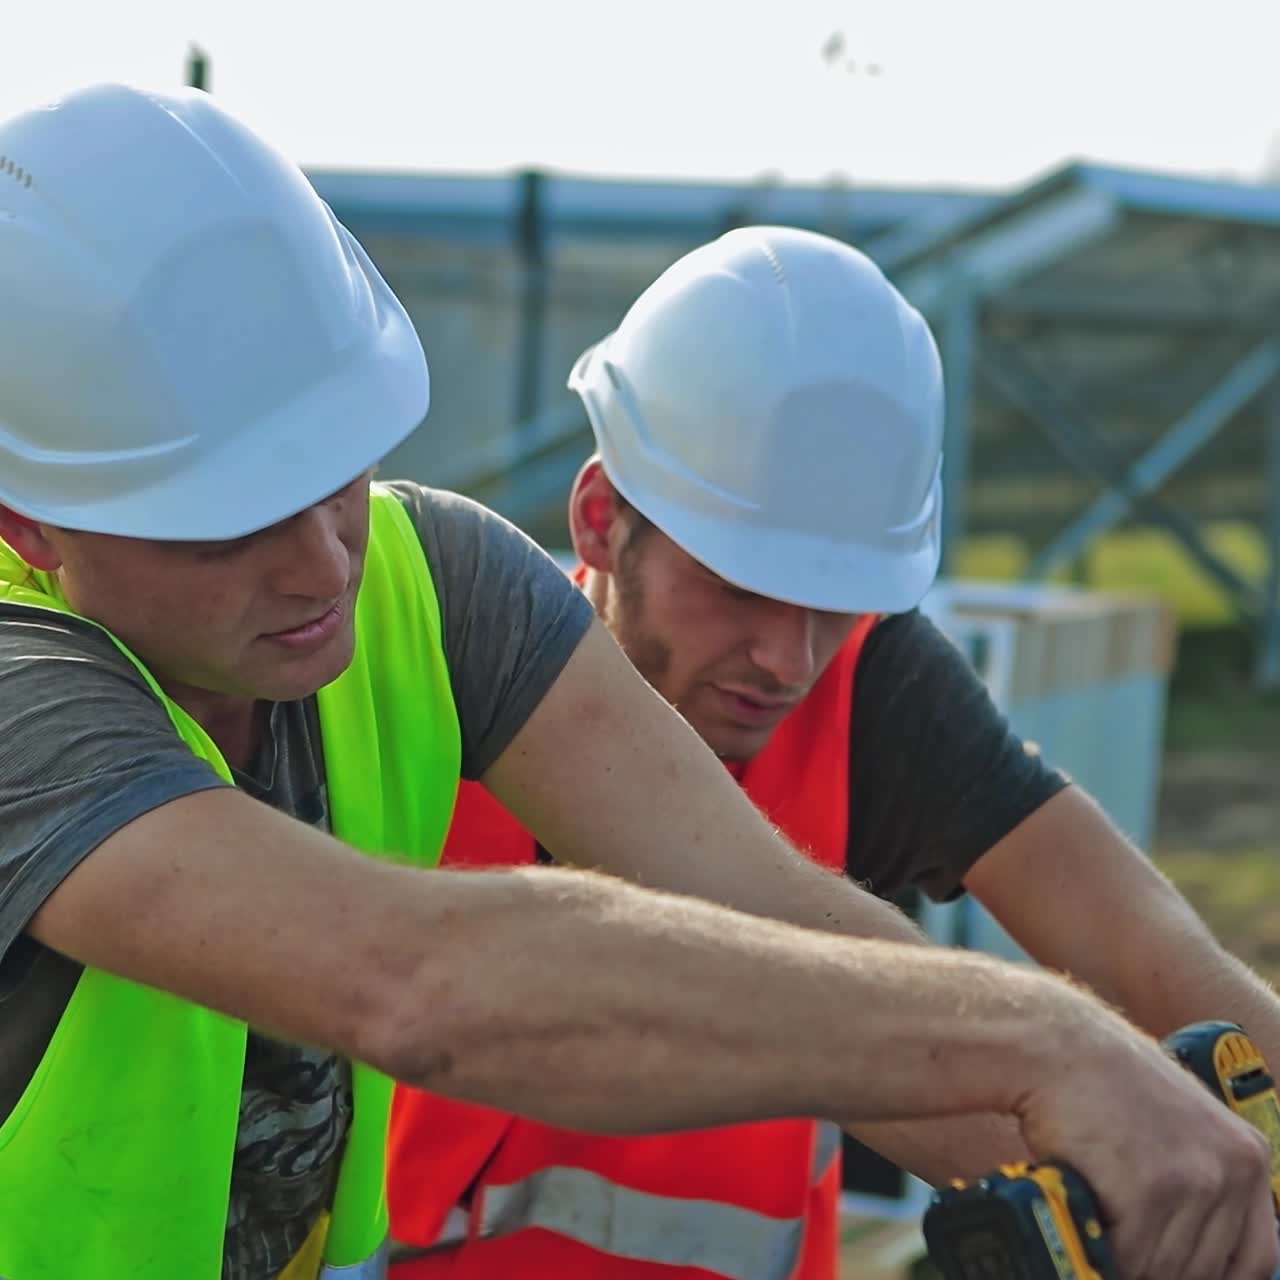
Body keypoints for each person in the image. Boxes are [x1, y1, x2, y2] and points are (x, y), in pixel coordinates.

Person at [0, 83, 1273, 1280]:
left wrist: (1138, 1166)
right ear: (32, 525)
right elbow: (413, 978)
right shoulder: (21, 693)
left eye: (336, 467)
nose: (323, 559)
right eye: (225, 522)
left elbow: (778, 915)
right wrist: (1038, 1039)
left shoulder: (434, 581)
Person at [386, 226, 1280, 1280]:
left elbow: (1145, 945)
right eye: (741, 585)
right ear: (597, 520)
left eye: (832, 598)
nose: (788, 657)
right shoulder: (428, 680)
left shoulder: (869, 688)